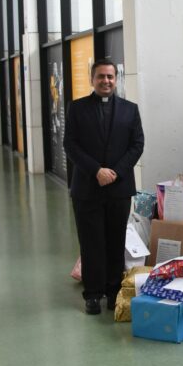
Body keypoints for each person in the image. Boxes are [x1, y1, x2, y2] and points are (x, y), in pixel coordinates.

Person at [64, 58, 145, 315]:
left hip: (118, 188)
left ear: (116, 79)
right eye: (101, 76)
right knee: (91, 242)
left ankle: (113, 292)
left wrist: (115, 172)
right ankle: (93, 294)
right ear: (92, 79)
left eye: (110, 76)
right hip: (87, 187)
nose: (106, 81)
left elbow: (137, 144)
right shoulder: (77, 108)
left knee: (114, 240)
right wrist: (96, 171)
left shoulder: (130, 110)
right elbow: (71, 145)